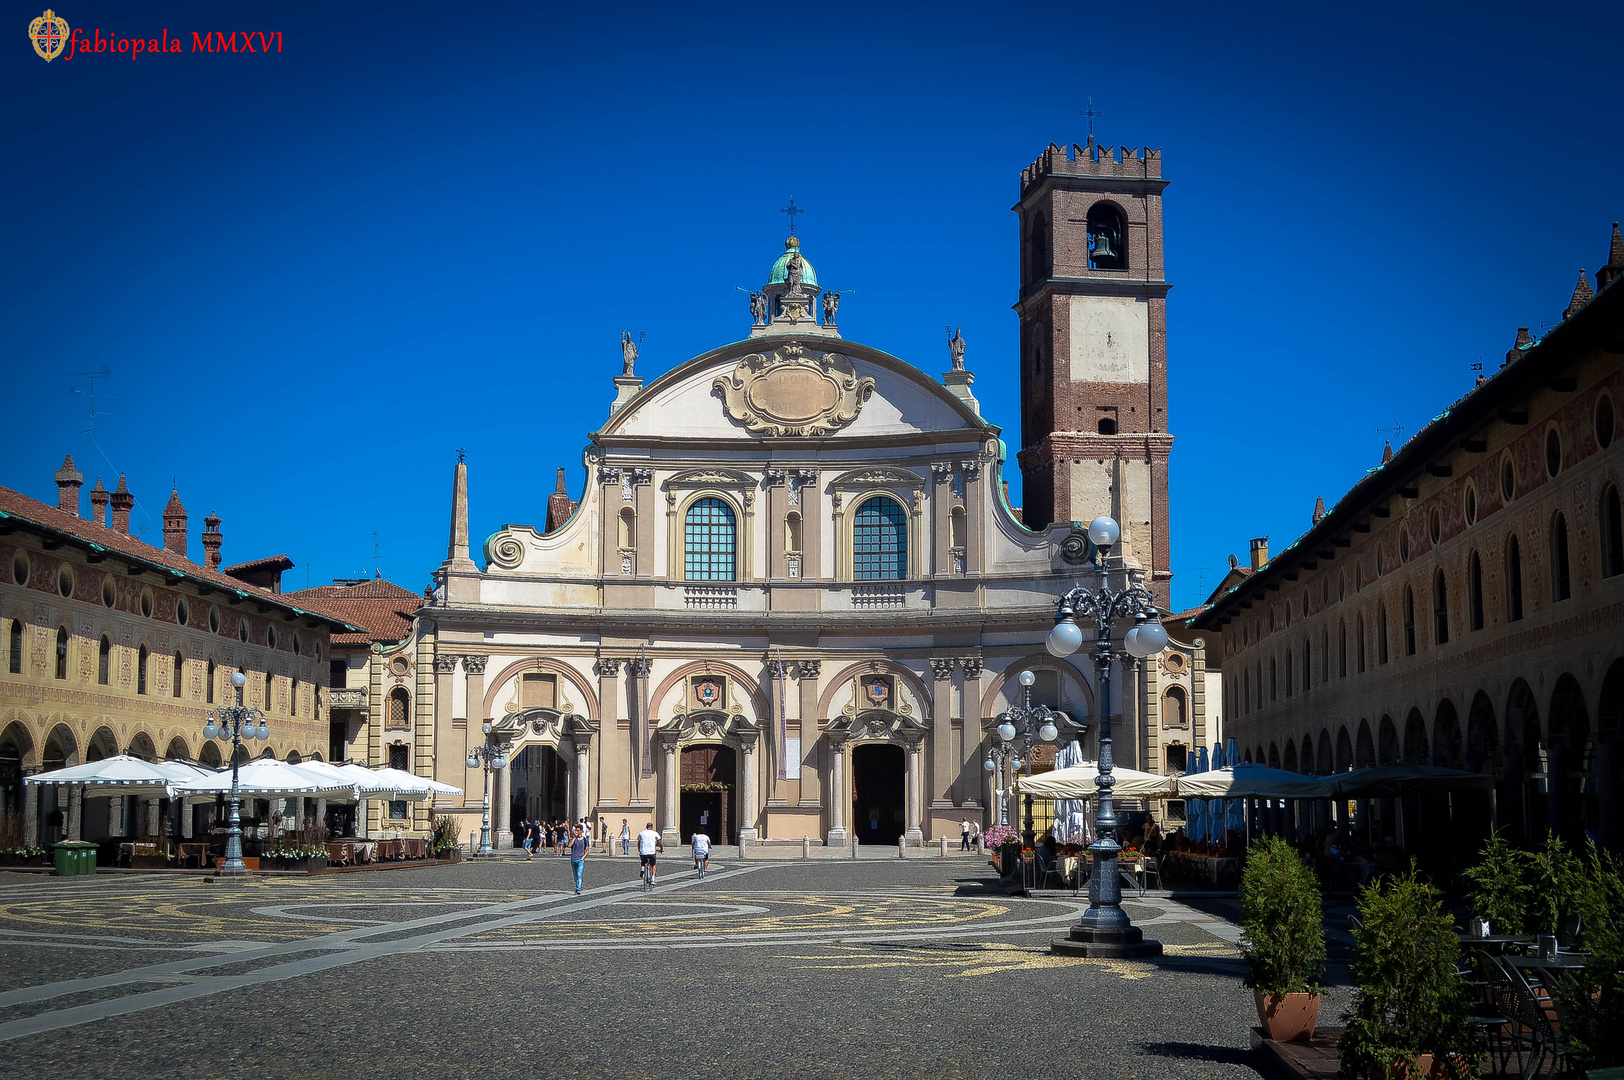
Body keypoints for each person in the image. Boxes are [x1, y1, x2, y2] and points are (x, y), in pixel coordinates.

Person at [637, 821, 663, 889]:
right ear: (652, 827)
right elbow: (659, 842)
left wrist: (639, 849)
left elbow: (639, 842)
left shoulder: (641, 833)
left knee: (643, 861)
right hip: (651, 852)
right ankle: (653, 879)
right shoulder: (654, 833)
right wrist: (661, 849)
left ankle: (642, 868)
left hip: (643, 853)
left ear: (646, 827)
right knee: (653, 865)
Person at [569, 823, 590, 895]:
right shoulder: (574, 839)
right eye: (576, 830)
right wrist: (575, 837)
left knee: (579, 874)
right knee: (575, 875)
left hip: (580, 860)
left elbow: (587, 851)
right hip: (573, 859)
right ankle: (577, 886)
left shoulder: (585, 840)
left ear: (581, 831)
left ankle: (578, 889)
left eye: (578, 830)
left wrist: (582, 858)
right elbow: (569, 845)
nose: (576, 832)